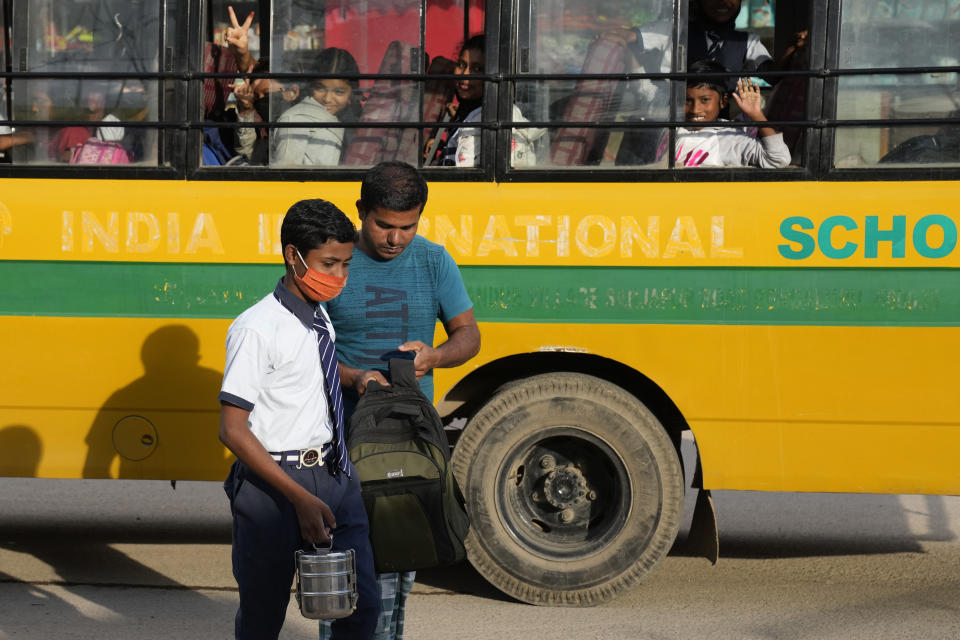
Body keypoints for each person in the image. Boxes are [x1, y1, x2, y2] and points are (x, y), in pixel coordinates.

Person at [321, 161, 481, 640]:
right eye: (384, 226)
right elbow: (302, 345)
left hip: (409, 444)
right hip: (341, 440)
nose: (395, 238)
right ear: (361, 212)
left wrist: (436, 355)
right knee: (345, 571)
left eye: (407, 227)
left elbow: (469, 335)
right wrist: (352, 377)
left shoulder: (434, 261)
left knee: (397, 569)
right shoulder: (332, 259)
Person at [218, 199, 380, 640]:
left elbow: (309, 368)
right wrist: (298, 499)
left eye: (347, 264)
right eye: (330, 264)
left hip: (332, 474)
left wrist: (355, 376)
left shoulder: (317, 315)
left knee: (360, 606)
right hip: (275, 484)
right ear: (294, 256)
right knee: (263, 615)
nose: (340, 277)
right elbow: (232, 429)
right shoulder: (256, 328)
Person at [428, 35, 544, 167]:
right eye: (461, 65)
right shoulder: (467, 112)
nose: (465, 74)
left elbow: (464, 171)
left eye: (477, 69)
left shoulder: (495, 116)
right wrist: (446, 147)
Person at [676, 60, 790, 168]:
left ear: (723, 101)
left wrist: (757, 115)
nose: (695, 109)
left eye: (705, 100)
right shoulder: (676, 128)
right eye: (688, 100)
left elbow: (779, 159)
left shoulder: (728, 138)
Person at [272, 47, 361, 166]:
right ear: (311, 85)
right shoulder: (296, 121)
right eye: (320, 88)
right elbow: (286, 176)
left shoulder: (354, 119)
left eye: (339, 92)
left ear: (352, 92)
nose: (327, 99)